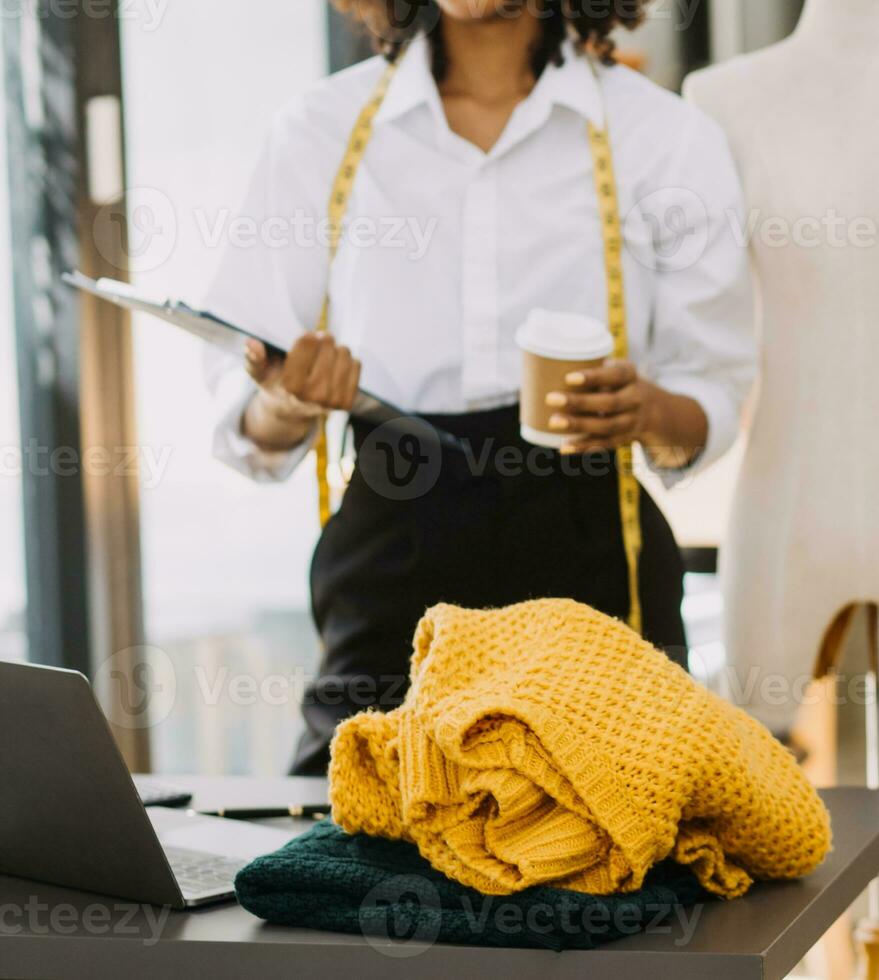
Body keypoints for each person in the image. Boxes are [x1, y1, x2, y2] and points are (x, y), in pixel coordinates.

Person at [204, 0, 754, 775]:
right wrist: (287, 402)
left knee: (616, 858)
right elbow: (245, 418)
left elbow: (710, 399)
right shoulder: (318, 133)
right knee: (345, 854)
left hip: (585, 551)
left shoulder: (663, 141)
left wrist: (648, 410)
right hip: (391, 556)